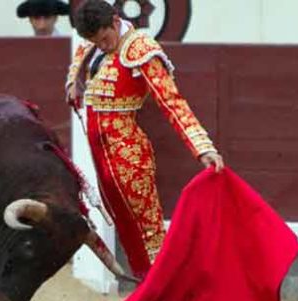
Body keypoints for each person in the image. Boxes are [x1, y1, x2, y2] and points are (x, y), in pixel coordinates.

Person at [65, 0, 224, 279]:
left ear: (116, 21)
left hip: (129, 158)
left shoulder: (140, 48)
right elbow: (80, 57)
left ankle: (166, 295)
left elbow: (171, 101)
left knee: (149, 234)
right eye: (95, 42)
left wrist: (202, 147)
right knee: (128, 233)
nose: (101, 46)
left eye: (104, 39)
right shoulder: (92, 47)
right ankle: (147, 299)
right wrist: (72, 83)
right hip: (103, 160)